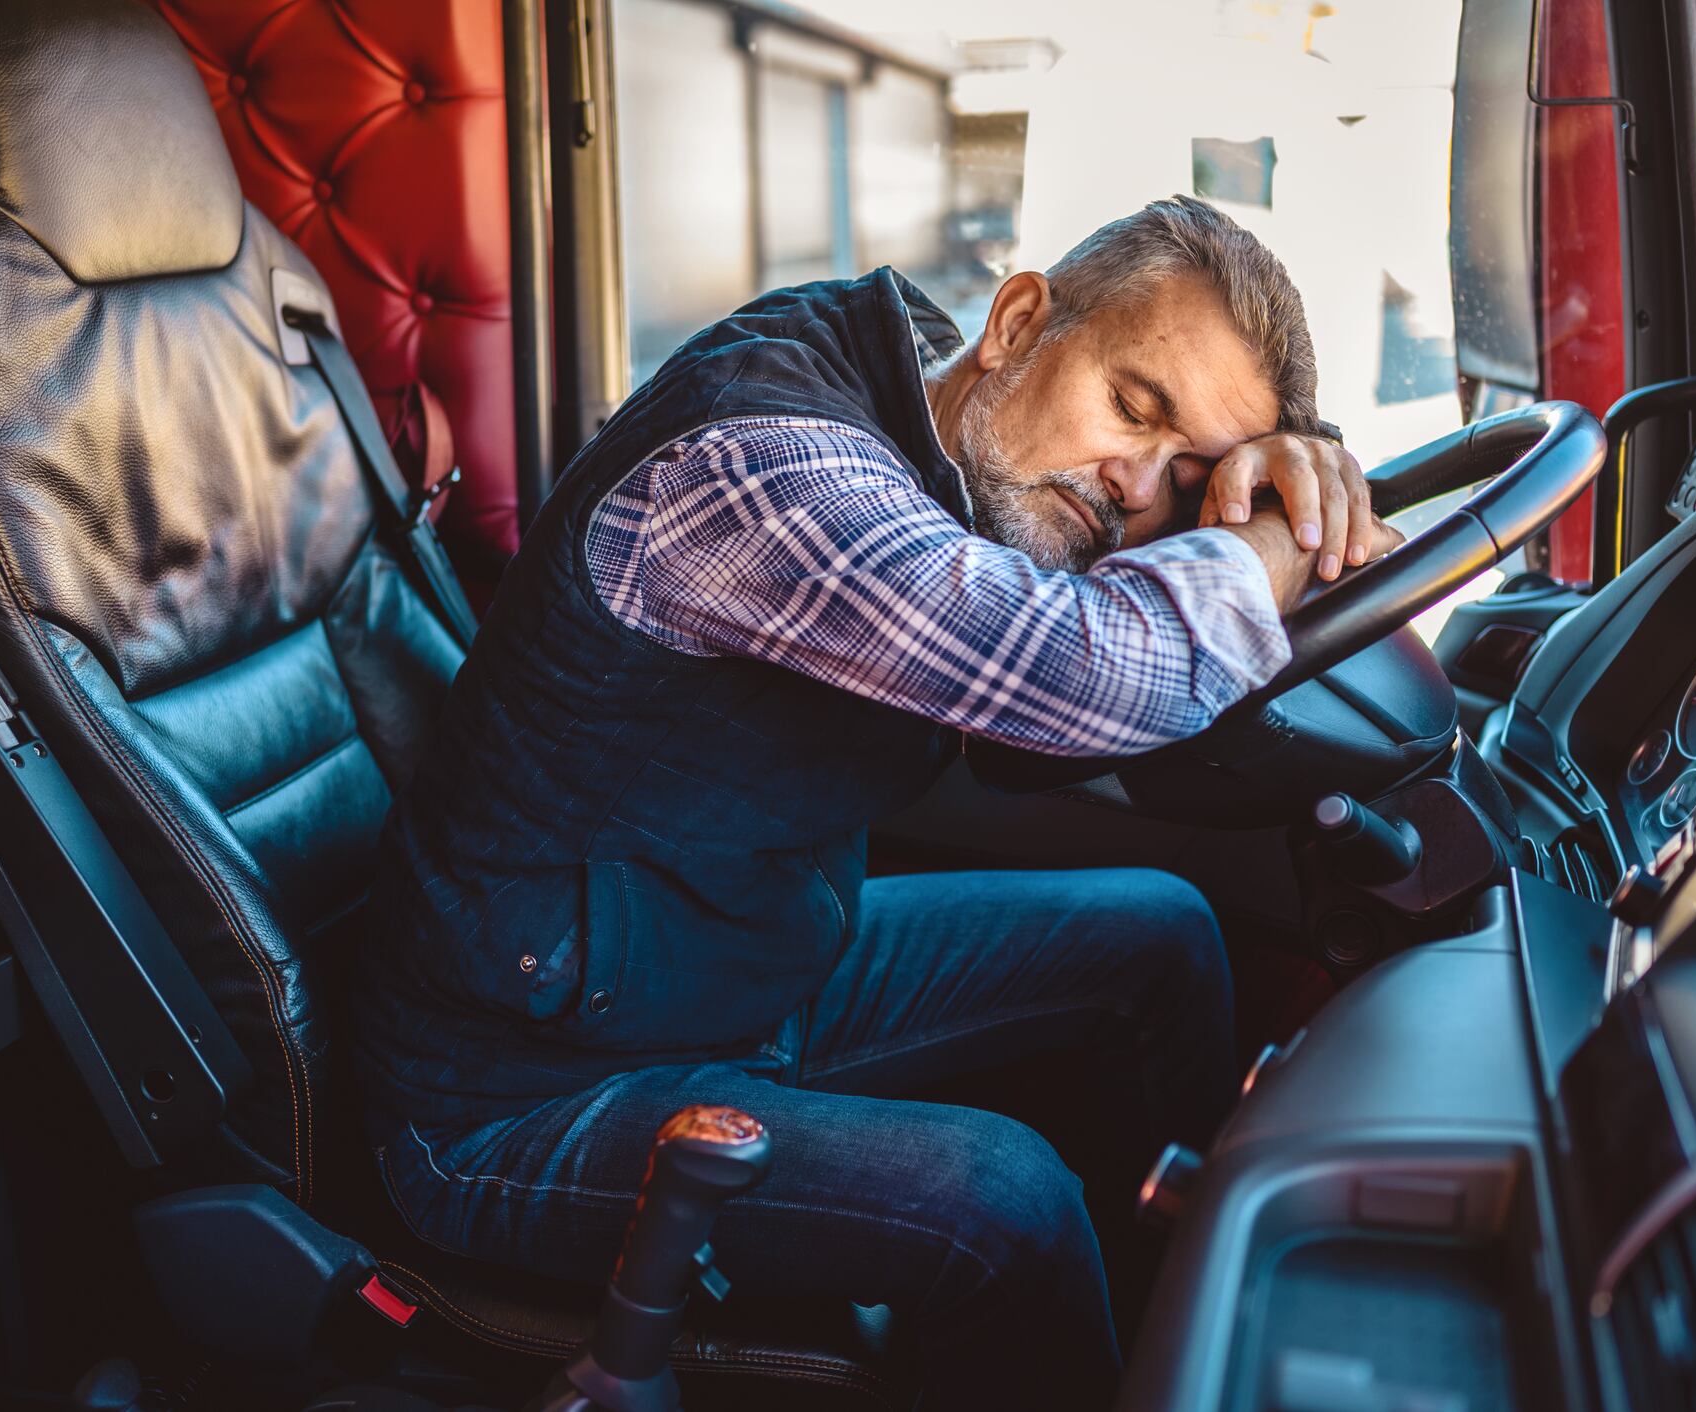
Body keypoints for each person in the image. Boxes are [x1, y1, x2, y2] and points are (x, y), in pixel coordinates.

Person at [354, 195, 1403, 1409]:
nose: (1135, 486)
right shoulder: (766, 468)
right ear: (1016, 321)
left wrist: (1280, 485)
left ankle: (1157, 1331)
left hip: (724, 976)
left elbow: (1023, 722)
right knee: (1000, 1199)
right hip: (508, 1089)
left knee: (1160, 935)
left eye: (1188, 477)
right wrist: (1274, 541)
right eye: (1132, 404)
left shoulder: (947, 408)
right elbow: (1077, 671)